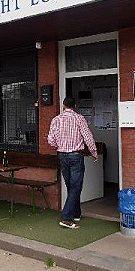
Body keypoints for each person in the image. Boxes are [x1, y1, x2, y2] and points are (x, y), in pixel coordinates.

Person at [47, 96, 98, 229]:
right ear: (74, 106)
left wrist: (60, 144)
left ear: (63, 105)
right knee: (76, 186)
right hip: (76, 156)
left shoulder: (56, 120)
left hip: (62, 156)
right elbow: (88, 137)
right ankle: (66, 218)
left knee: (71, 185)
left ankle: (76, 213)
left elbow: (50, 140)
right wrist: (94, 152)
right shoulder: (79, 118)